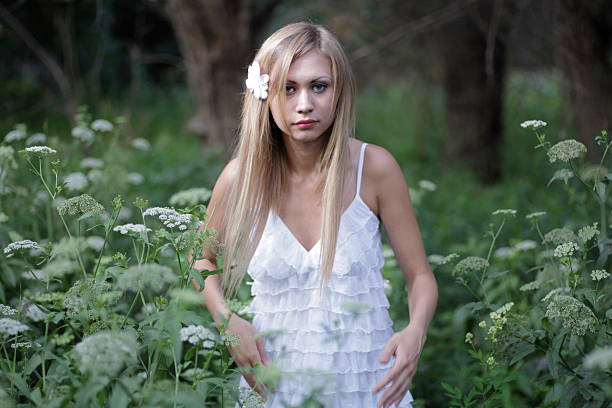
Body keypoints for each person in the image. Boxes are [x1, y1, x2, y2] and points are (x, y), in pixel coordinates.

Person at [189, 22, 438, 408]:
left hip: (367, 387)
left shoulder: (373, 168)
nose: (304, 104)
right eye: (288, 88)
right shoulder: (241, 178)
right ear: (264, 94)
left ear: (339, 93)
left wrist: (415, 332)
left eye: (318, 86)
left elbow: (420, 275)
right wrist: (228, 322)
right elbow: (198, 257)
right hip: (274, 387)